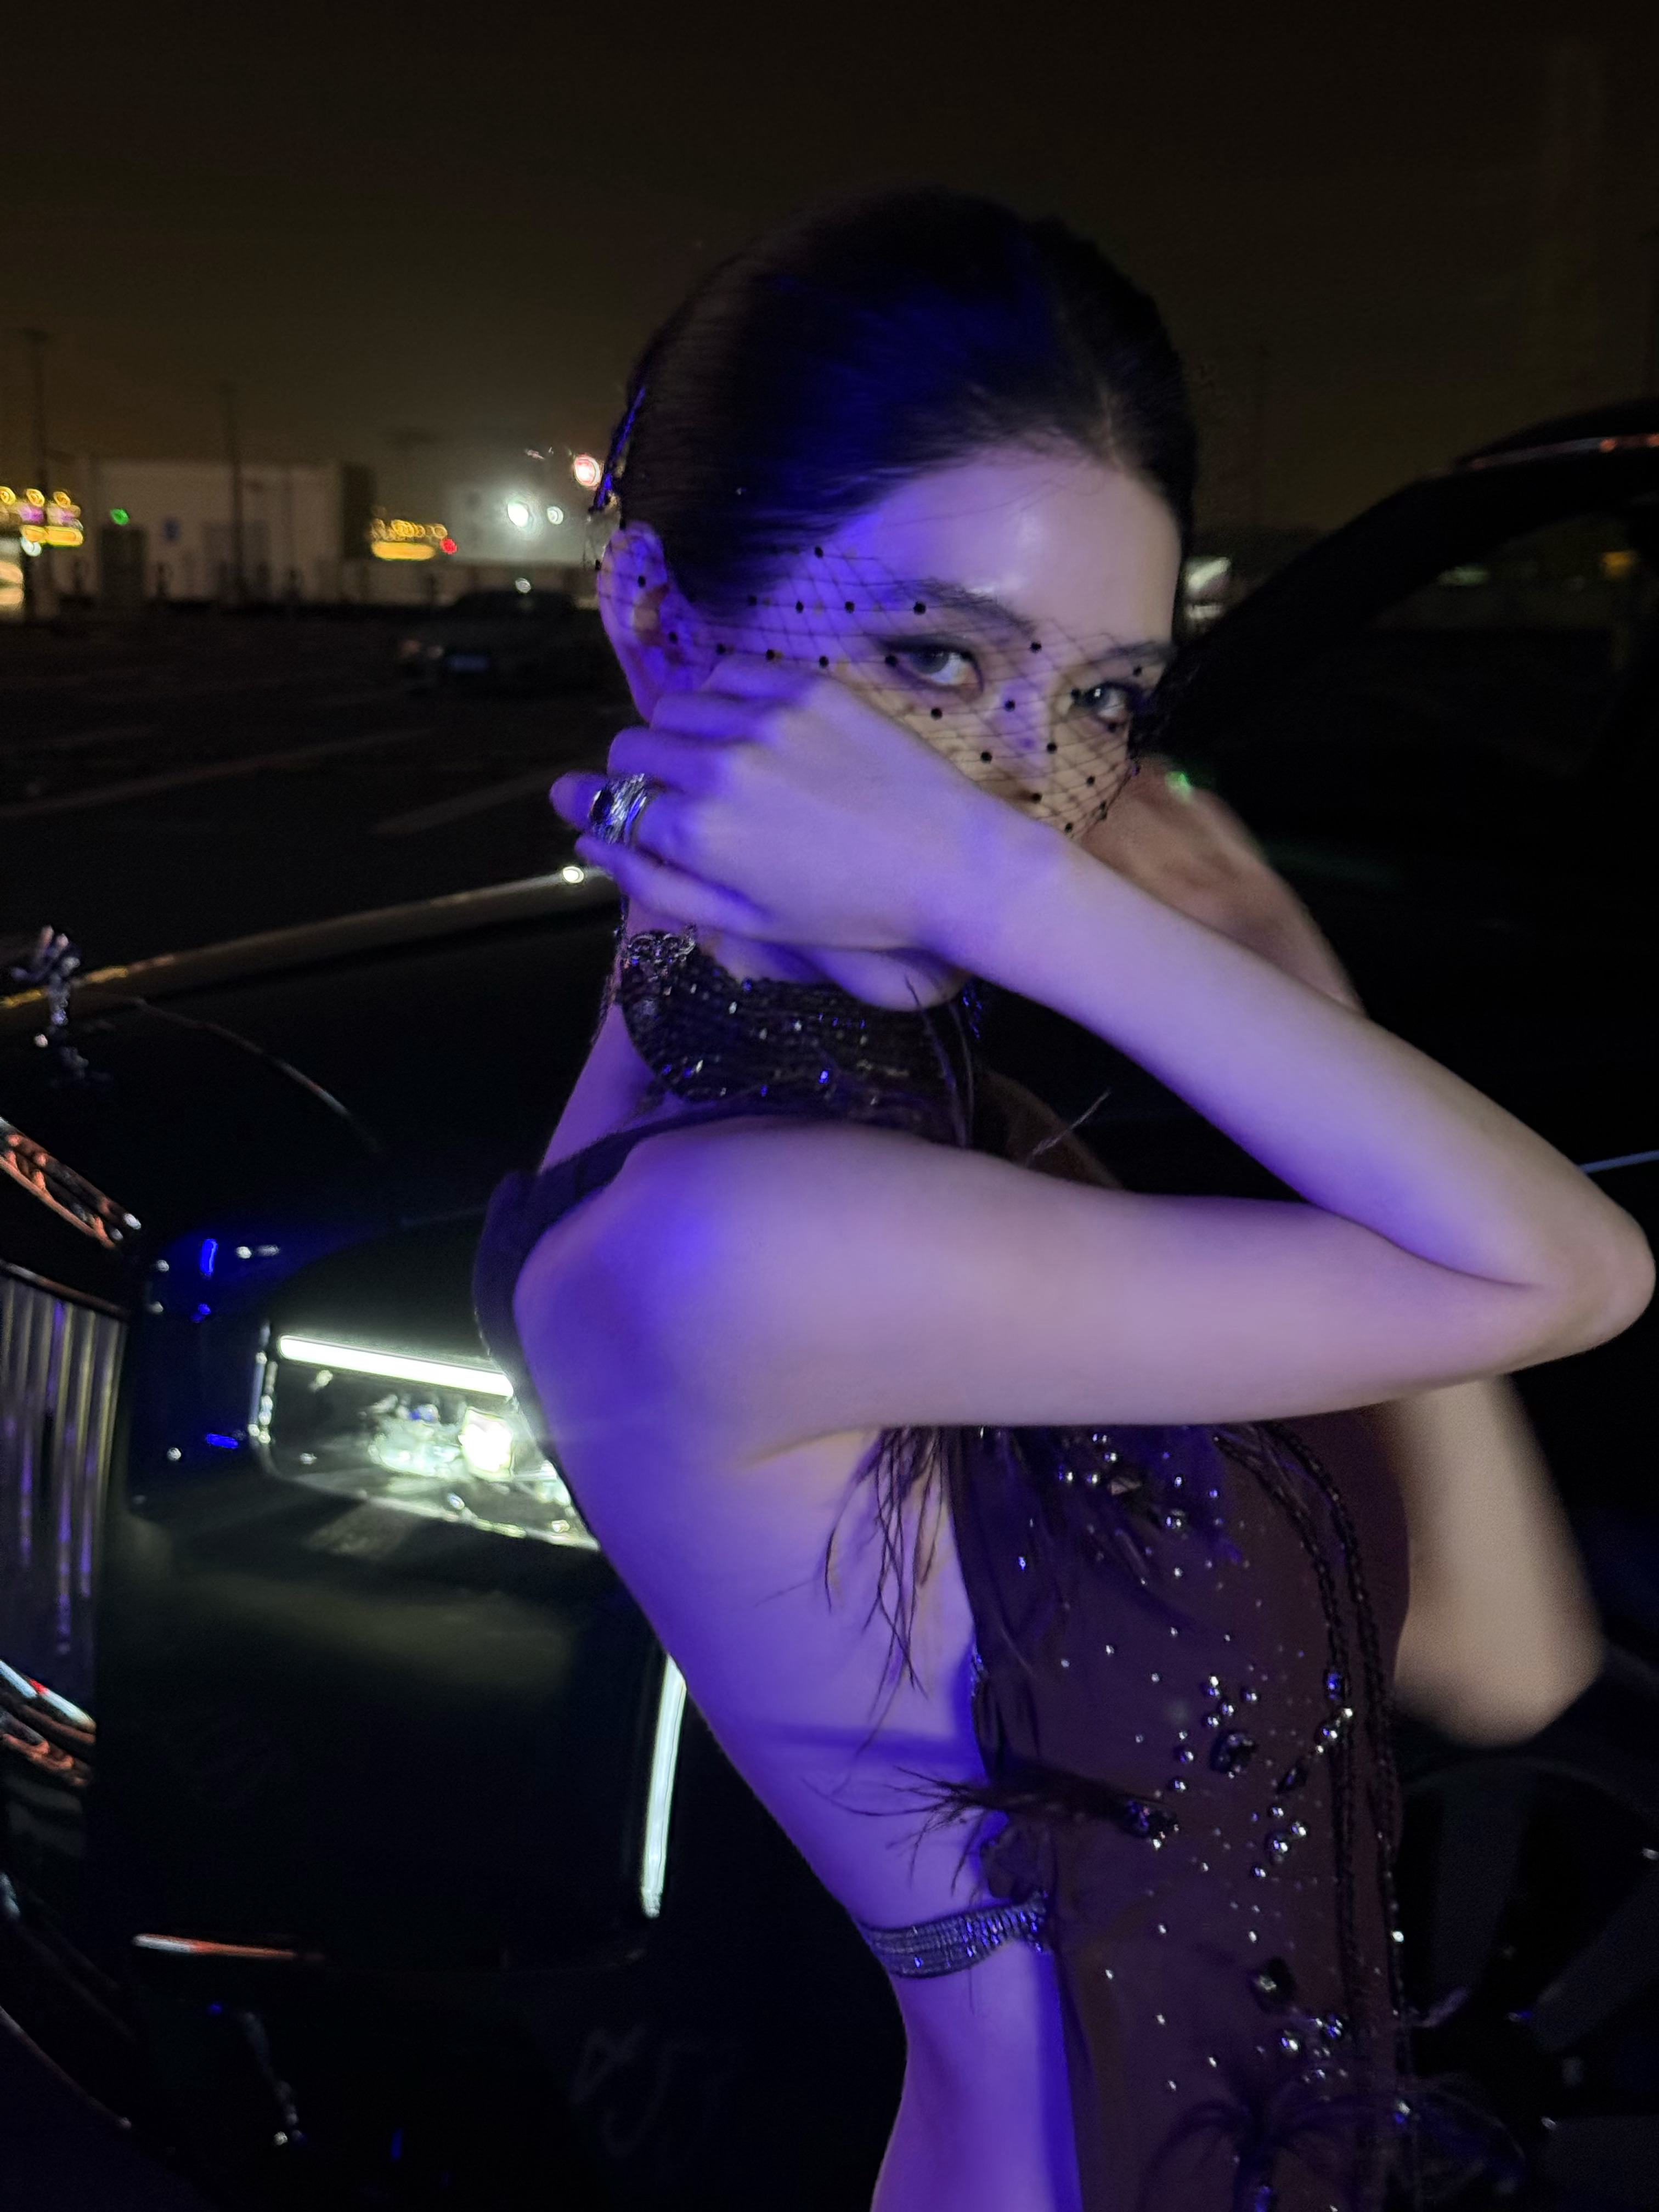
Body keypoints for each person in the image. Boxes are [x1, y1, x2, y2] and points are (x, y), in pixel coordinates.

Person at [473, 190, 1647, 2212]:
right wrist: (1027, 905)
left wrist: (1300, 1011)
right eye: (936, 654)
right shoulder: (722, 1243)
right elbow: (1580, 1269)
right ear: (657, 615)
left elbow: (1505, 1659)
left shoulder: (964, 1143)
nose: (1027, 779)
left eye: (1107, 697)